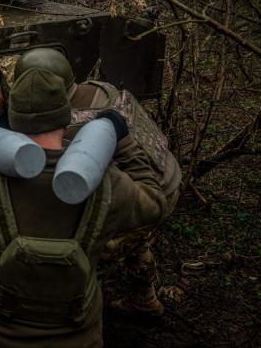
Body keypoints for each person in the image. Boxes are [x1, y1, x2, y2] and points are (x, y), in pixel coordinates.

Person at [0, 69, 168, 347]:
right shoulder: (107, 185)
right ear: (66, 116)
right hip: (78, 338)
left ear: (13, 119)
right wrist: (124, 143)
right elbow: (154, 203)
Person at [15, 48, 182, 315]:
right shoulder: (102, 89)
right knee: (137, 239)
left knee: (88, 245)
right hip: (168, 174)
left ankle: (75, 310)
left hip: (151, 193)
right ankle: (145, 297)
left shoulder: (72, 125)